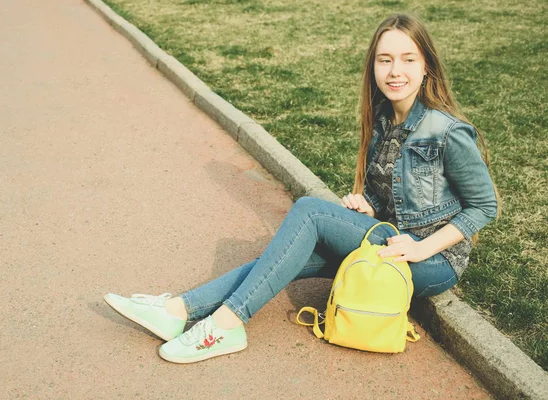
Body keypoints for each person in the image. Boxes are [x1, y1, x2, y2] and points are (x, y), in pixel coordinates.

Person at [104, 13, 499, 364]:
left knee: (310, 211)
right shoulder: (383, 119)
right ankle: (177, 310)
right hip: (391, 243)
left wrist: (422, 247)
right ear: (373, 67)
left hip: (431, 264)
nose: (396, 70)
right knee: (285, 259)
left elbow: (484, 207)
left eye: (408, 59)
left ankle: (225, 325)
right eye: (385, 60)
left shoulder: (447, 131)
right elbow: (398, 193)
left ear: (426, 65)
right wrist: (370, 206)